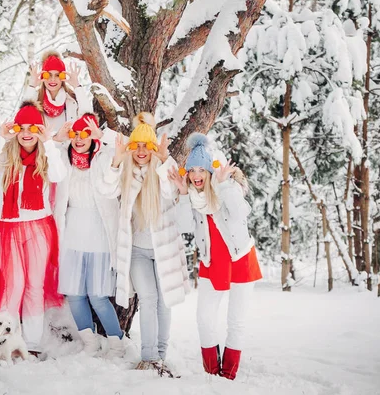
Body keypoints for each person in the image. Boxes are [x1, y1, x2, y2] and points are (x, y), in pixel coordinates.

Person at [99, 112, 190, 371]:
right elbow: (106, 189)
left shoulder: (163, 172)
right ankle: (149, 355)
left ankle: (161, 353)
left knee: (164, 300)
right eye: (136, 146)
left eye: (146, 146)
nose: (141, 151)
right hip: (137, 251)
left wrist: (163, 158)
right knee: (148, 297)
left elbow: (172, 190)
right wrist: (116, 161)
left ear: (152, 148)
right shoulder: (126, 173)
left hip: (164, 251)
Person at [0, 101, 66, 355]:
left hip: (38, 227)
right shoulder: (4, 153)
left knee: (35, 286)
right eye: (21, 127)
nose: (26, 133)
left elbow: (59, 175)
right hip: (6, 228)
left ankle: (32, 344)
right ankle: (2, 343)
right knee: (13, 286)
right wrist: (0, 140)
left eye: (32, 127)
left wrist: (48, 143)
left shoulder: (48, 153)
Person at [167, 133, 262, 380]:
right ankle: (211, 372)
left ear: (210, 171)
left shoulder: (227, 188)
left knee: (236, 321)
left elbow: (242, 212)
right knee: (204, 319)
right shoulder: (191, 195)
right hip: (212, 262)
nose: (196, 175)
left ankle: (227, 376)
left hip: (240, 258)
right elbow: (185, 226)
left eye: (201, 170)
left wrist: (223, 185)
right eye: (192, 170)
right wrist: (184, 194)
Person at [53, 113, 125, 357]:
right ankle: (90, 342)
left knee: (98, 296)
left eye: (85, 133)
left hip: (99, 233)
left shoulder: (103, 156)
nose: (79, 138)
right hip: (72, 232)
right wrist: (56, 138)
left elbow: (122, 146)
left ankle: (116, 343)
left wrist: (102, 136)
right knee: (74, 295)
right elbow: (45, 155)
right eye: (75, 134)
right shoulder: (63, 157)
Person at [25, 50, 91, 135]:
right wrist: (32, 86)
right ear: (42, 76)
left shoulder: (72, 99)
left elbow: (89, 118)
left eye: (57, 75)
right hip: (44, 147)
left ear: (62, 77)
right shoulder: (34, 99)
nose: (52, 79)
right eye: (48, 75)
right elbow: (22, 118)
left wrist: (77, 86)